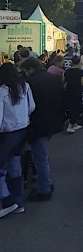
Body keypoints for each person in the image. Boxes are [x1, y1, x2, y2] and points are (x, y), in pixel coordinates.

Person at [20, 58, 66, 201]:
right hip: (53, 122)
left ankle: (44, 188)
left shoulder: (29, 83)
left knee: (39, 157)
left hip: (37, 123)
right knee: (41, 155)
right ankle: (45, 183)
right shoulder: (54, 78)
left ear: (30, 69)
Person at [0, 63, 35, 217]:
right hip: (22, 131)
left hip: (6, 135)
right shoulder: (25, 86)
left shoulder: (1, 91)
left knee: (2, 169)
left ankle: (7, 200)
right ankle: (19, 202)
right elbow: (31, 107)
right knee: (15, 168)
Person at [63, 56, 83, 133]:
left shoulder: (67, 71)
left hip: (68, 91)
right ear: (79, 62)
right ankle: (71, 125)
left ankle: (74, 124)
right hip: (77, 91)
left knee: (71, 107)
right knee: (77, 107)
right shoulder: (81, 72)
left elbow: (64, 81)